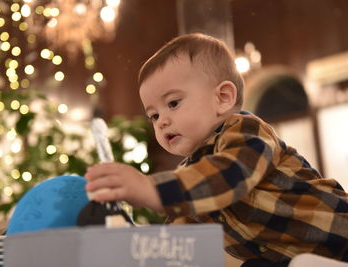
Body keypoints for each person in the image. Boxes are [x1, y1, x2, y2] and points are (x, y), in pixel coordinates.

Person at [85, 33, 348, 266]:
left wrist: (150, 189)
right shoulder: (192, 174)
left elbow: (231, 176)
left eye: (173, 103)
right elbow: (178, 238)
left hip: (339, 237)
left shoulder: (245, 130)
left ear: (222, 98)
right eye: (153, 115)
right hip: (289, 257)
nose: (162, 120)